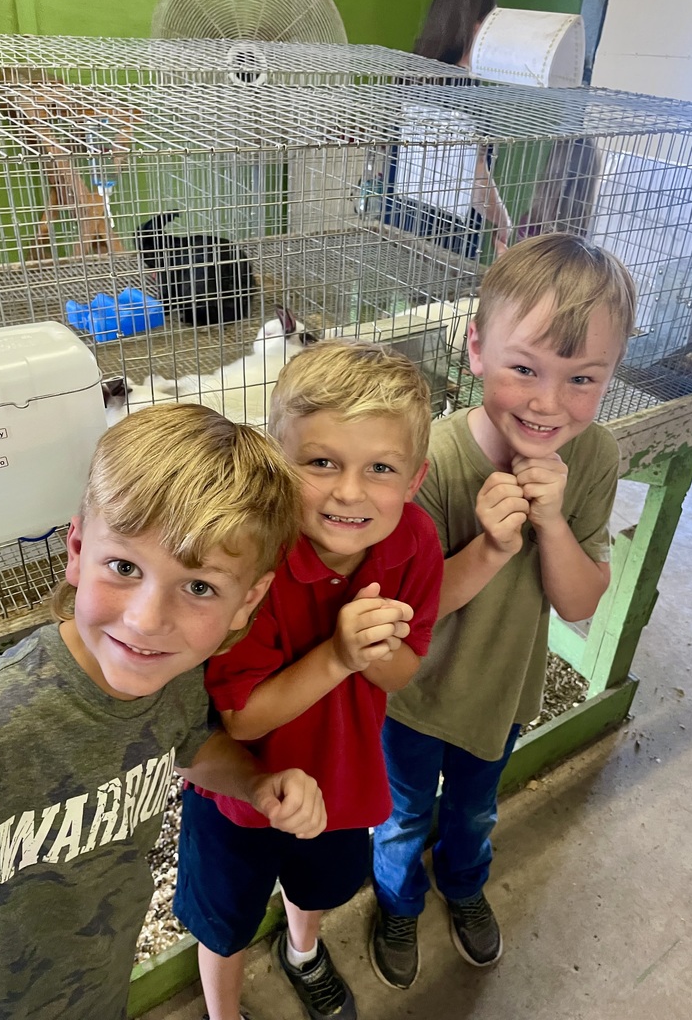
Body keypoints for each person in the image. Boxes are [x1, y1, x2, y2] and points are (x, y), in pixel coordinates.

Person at [0, 403, 326, 1020]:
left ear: (247, 601)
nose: (147, 621)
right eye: (124, 567)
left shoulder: (175, 679)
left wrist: (255, 783)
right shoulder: (5, 721)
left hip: (96, 983)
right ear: (76, 548)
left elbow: (191, 746)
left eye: (199, 586)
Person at [369, 232, 637, 990]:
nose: (549, 403)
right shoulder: (432, 462)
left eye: (582, 378)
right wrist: (488, 546)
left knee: (476, 814)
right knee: (400, 816)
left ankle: (462, 884)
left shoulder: (594, 458)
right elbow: (403, 613)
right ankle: (396, 899)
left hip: (503, 694)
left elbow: (580, 600)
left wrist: (551, 523)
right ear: (476, 346)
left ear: (610, 378)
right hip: (415, 697)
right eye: (525, 369)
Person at [173, 341, 445, 1020]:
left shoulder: (414, 542)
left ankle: (302, 950)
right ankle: (223, 1010)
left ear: (414, 480)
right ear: (278, 462)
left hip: (343, 780)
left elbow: (406, 669)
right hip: (238, 790)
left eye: (380, 468)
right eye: (321, 462)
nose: (349, 492)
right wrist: (340, 655)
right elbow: (240, 720)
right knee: (224, 920)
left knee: (317, 887)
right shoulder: (251, 554)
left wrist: (372, 654)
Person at [399, 0, 511, 257]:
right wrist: (503, 219)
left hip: (399, 222)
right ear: (476, 27)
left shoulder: (411, 74)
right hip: (449, 239)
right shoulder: (469, 94)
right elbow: (477, 183)